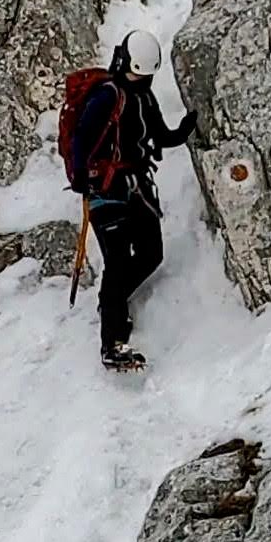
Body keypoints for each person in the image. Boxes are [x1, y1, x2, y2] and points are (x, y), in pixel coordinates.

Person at [67, 30, 194, 373]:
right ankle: (113, 339)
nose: (139, 79)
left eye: (144, 75)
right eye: (137, 73)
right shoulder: (107, 96)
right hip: (106, 190)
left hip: (135, 187)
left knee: (152, 254)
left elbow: (160, 135)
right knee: (119, 260)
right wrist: (82, 179)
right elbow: (81, 139)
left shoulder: (143, 98)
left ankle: (112, 299)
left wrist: (184, 130)